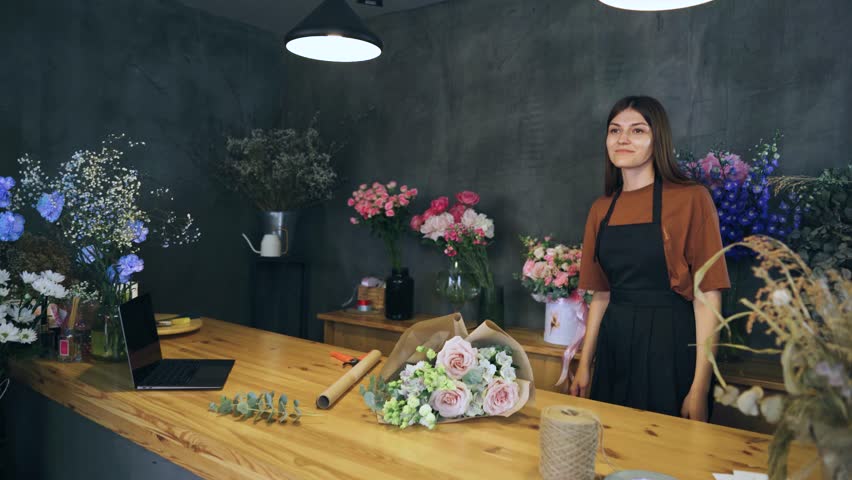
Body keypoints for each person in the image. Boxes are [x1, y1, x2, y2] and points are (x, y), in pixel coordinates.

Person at [569, 96, 730, 422]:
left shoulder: (691, 199)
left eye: (637, 130)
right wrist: (585, 365)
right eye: (615, 131)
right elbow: (601, 294)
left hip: (671, 347)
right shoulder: (601, 208)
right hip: (614, 346)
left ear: (658, 140)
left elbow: (707, 296)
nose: (623, 139)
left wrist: (699, 387)